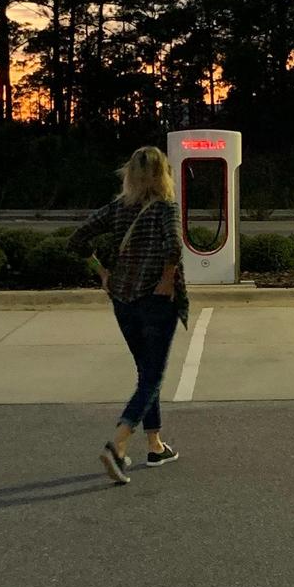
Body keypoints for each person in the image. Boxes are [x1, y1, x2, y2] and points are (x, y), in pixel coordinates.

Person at [70, 146, 189, 484]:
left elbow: (78, 239)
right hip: (155, 300)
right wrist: (166, 280)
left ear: (130, 175)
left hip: (122, 298)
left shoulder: (118, 209)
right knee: (153, 376)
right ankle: (118, 445)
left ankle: (155, 445)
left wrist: (102, 273)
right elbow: (174, 247)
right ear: (163, 174)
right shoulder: (166, 208)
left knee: (145, 372)